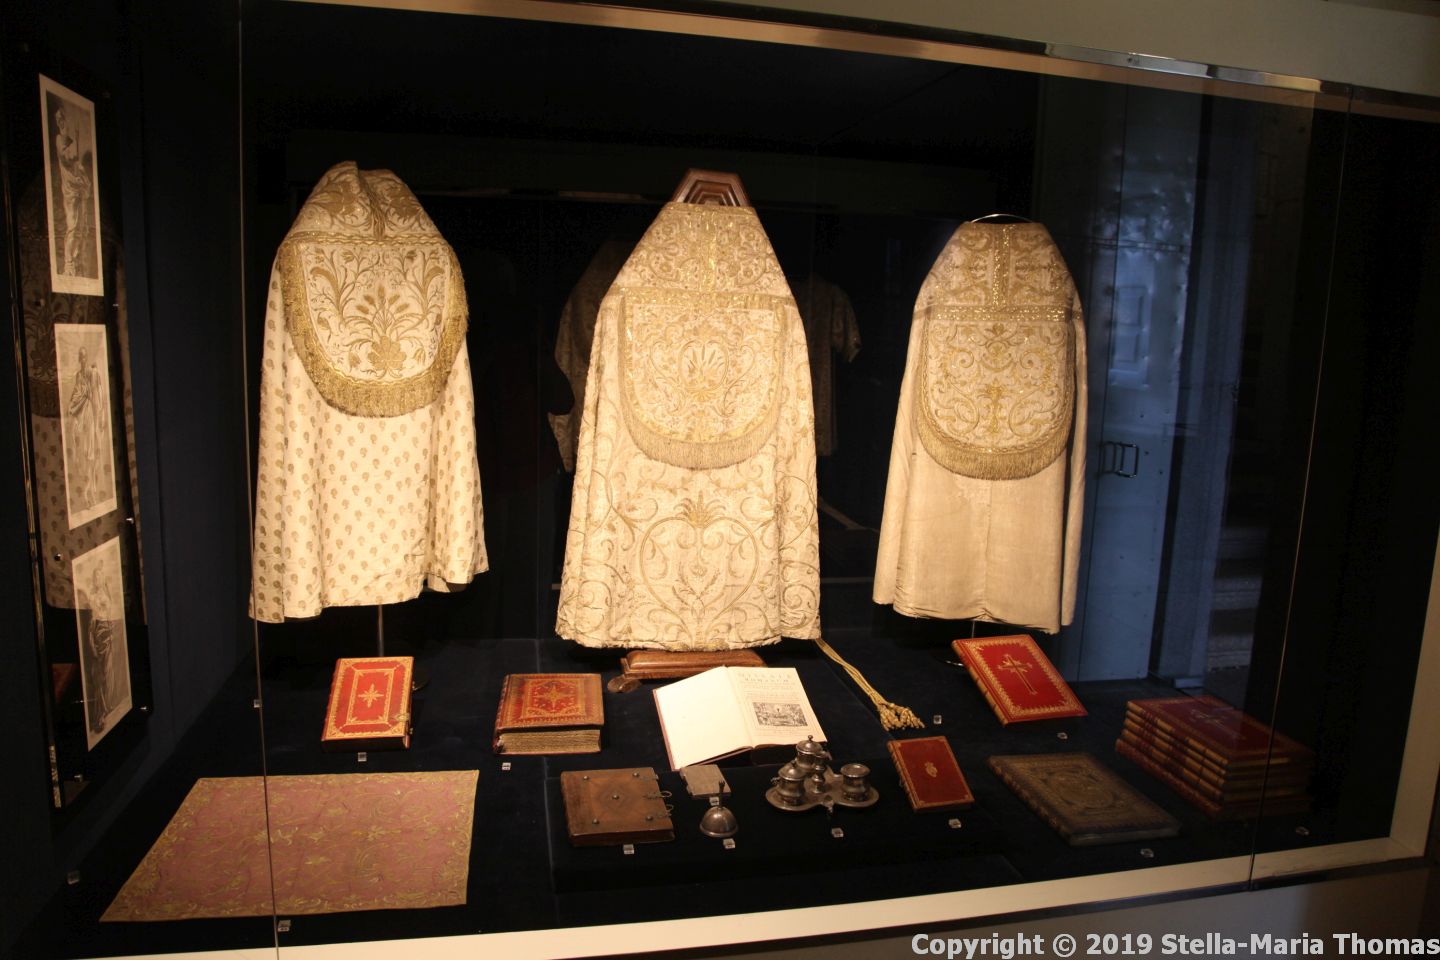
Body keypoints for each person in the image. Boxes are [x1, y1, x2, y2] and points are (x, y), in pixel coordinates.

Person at [53, 104, 91, 276]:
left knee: (82, 228)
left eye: (63, 119)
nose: (62, 123)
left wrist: (84, 180)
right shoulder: (60, 140)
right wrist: (75, 139)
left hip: (79, 189)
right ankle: (69, 264)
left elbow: (78, 166)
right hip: (70, 190)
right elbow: (68, 158)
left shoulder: (69, 141)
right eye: (60, 120)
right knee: (73, 226)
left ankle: (77, 261)